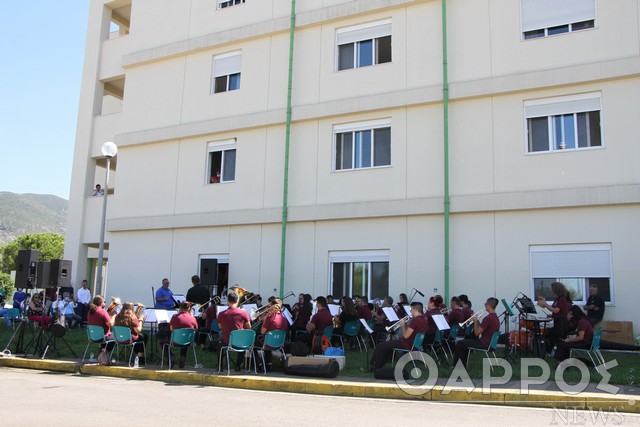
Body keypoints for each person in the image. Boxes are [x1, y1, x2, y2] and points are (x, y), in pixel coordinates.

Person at [369, 302, 429, 370]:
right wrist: (406, 325)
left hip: (407, 344)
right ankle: (378, 366)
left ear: (415, 310)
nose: (410, 311)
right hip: (415, 344)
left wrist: (403, 326)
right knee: (387, 346)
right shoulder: (424, 319)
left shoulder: (415, 320)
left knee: (380, 346)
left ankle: (373, 366)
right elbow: (413, 331)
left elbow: (405, 336)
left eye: (411, 310)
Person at [453, 297, 500, 368]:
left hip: (484, 343)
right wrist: (477, 320)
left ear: (489, 305)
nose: (484, 305)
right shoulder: (495, 317)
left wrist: (475, 321)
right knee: (465, 343)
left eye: (486, 304)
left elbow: (476, 333)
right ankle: (461, 365)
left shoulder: (488, 318)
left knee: (460, 343)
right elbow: (482, 328)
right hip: (490, 344)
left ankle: (458, 366)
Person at [216, 291, 251, 371]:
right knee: (243, 344)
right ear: (237, 300)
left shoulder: (221, 313)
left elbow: (220, 327)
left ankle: (220, 366)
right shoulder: (243, 313)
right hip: (239, 342)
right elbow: (249, 327)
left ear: (227, 301)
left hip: (227, 341)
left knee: (219, 345)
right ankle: (238, 366)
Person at [537, 281, 572, 355]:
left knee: (560, 338)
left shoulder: (561, 299)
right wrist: (543, 303)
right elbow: (552, 309)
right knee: (551, 336)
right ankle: (549, 352)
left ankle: (561, 354)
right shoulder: (557, 299)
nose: (550, 290)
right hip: (557, 321)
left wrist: (545, 304)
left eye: (551, 289)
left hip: (561, 322)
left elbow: (556, 310)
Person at [257, 298, 288, 370]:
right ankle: (268, 364)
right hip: (279, 343)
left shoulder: (270, 317)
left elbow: (262, 332)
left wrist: (266, 319)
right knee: (268, 340)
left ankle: (259, 364)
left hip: (268, 343)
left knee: (253, 345)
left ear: (272, 306)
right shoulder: (284, 318)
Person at [169, 302, 199, 368]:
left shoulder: (174, 316)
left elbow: (171, 329)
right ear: (189, 308)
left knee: (162, 342)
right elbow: (196, 329)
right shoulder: (192, 318)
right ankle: (182, 359)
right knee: (185, 338)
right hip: (188, 342)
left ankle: (170, 357)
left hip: (175, 342)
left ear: (180, 308)